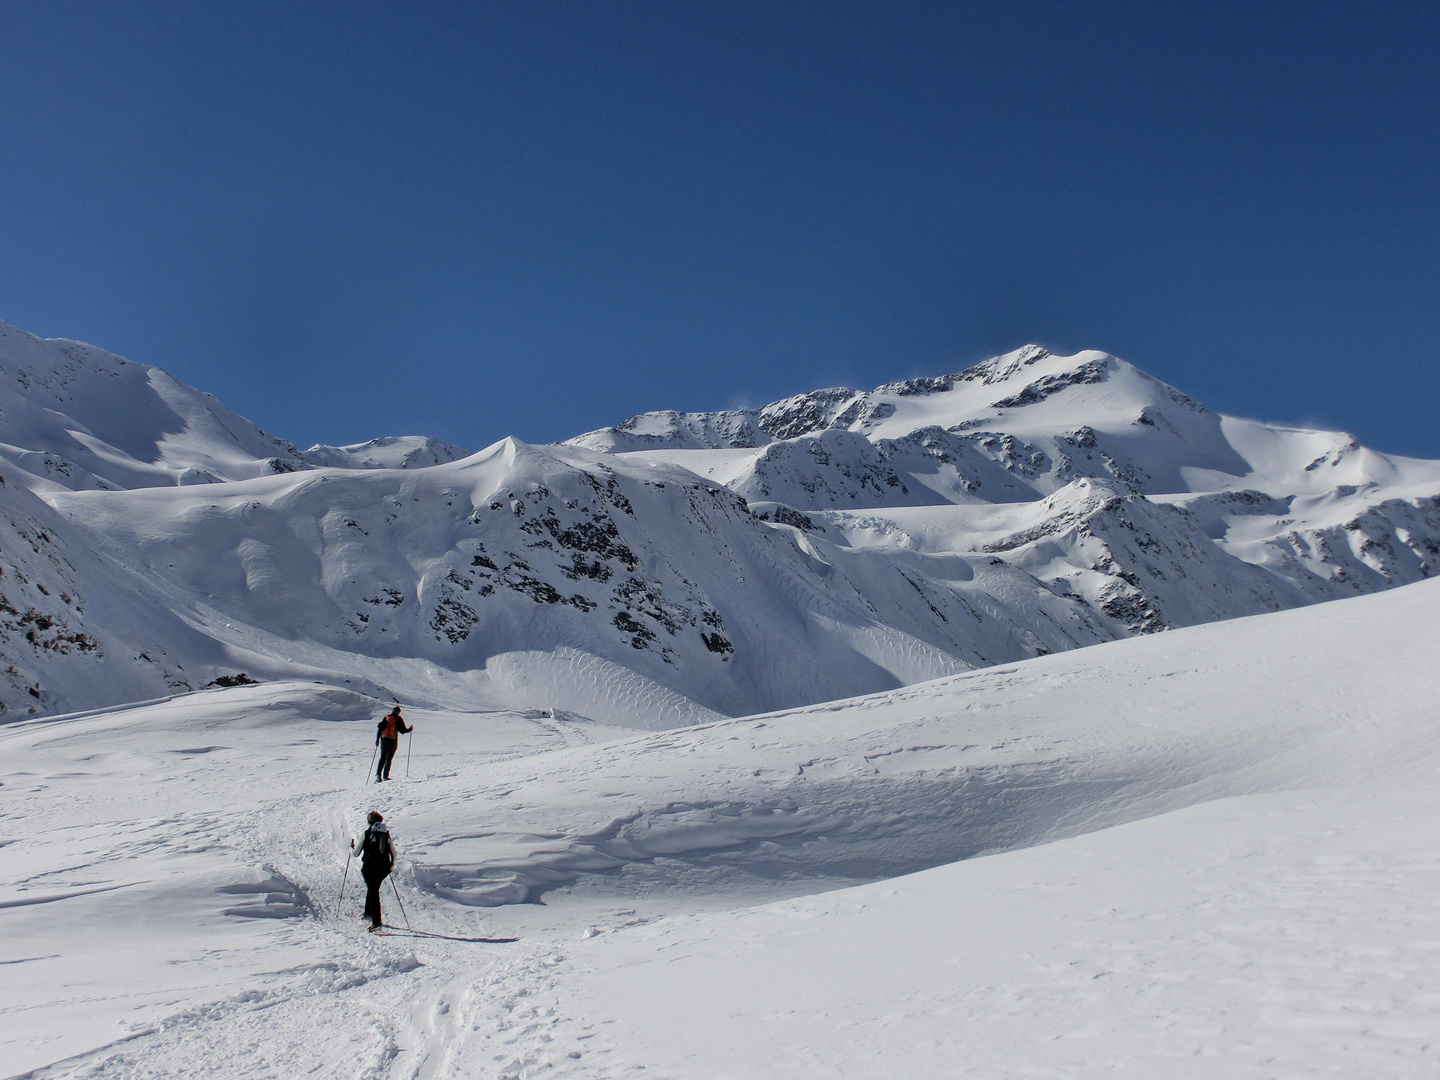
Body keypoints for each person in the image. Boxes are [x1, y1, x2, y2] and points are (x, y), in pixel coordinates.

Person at [350, 810, 394, 931]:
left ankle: (376, 922)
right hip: (383, 869)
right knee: (373, 889)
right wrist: (391, 866)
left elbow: (355, 853)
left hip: (369, 868)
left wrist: (350, 848)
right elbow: (393, 853)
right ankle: (367, 914)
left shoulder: (366, 834)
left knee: (373, 892)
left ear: (369, 822)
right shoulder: (386, 834)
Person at [375, 705, 413, 782]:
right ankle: (385, 776)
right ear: (398, 712)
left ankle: (378, 776)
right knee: (389, 758)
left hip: (383, 739)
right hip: (392, 740)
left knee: (382, 757)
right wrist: (410, 729)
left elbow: (380, 728)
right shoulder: (398, 719)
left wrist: (377, 739)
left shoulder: (386, 718)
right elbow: (403, 730)